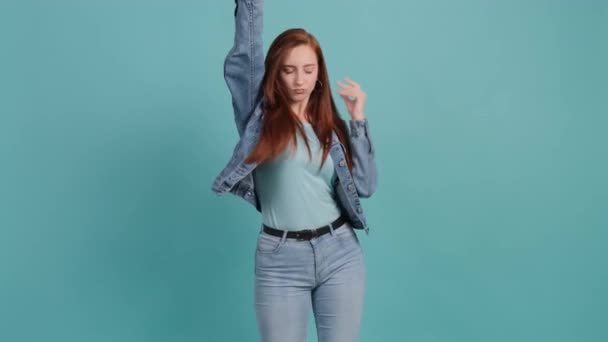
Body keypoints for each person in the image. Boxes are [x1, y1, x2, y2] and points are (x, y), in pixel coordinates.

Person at [211, 1, 378, 341]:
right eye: (288, 70)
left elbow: (366, 185)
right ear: (276, 73)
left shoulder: (331, 127)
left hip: (340, 252)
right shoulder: (258, 119)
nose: (299, 79)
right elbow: (245, 56)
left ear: (319, 73)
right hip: (279, 259)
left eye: (307, 69)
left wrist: (358, 120)